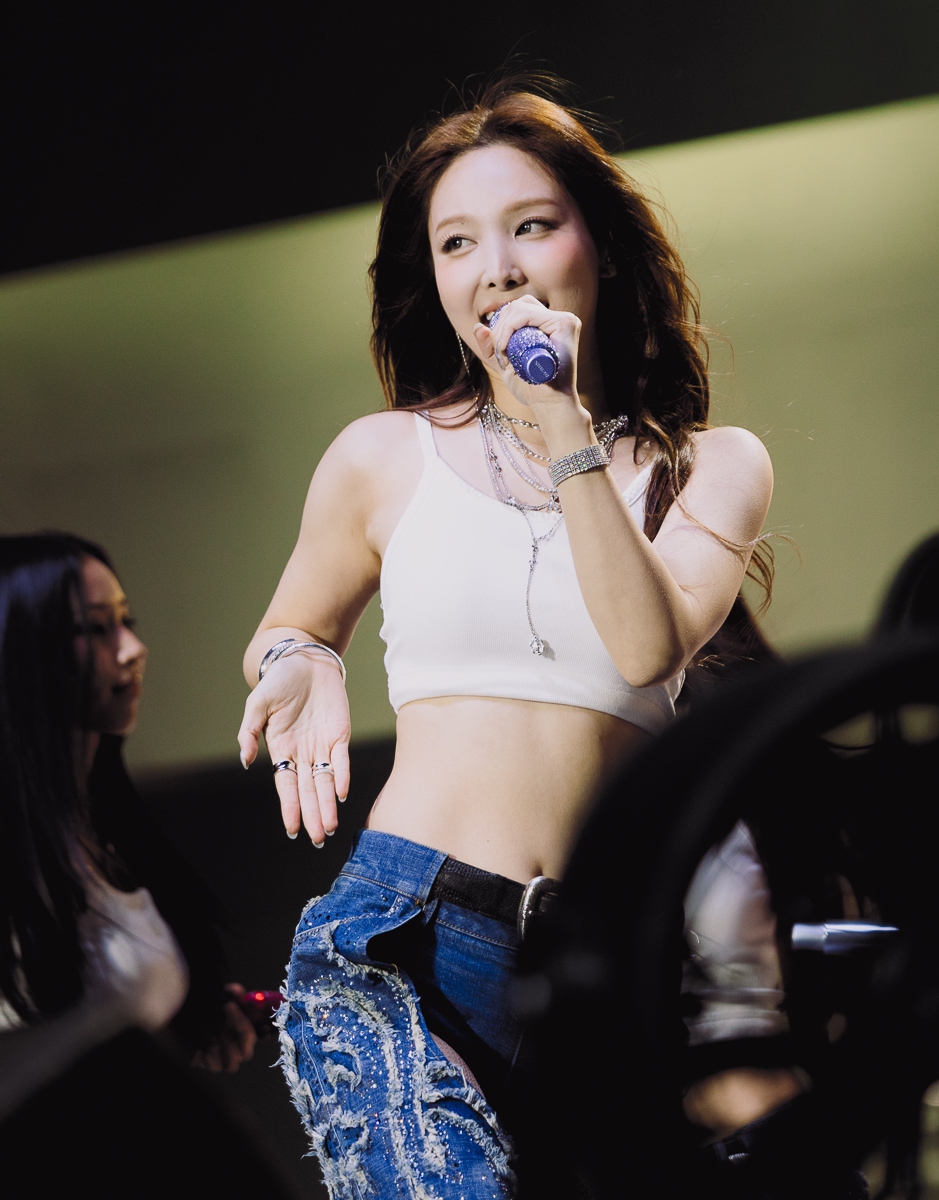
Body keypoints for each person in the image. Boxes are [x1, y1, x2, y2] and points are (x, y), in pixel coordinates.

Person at [237, 76, 774, 1197]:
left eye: (531, 226)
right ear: (433, 280)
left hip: (608, 968)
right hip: (405, 940)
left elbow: (646, 650)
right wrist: (302, 660)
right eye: (457, 243)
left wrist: (561, 419)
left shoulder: (708, 468)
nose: (498, 269)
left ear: (601, 249)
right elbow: (292, 624)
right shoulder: (381, 455)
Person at [0, 532, 256, 1124]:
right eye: (96, 629)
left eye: (125, 621)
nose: (133, 649)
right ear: (21, 650)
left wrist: (189, 1019)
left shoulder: (104, 830)